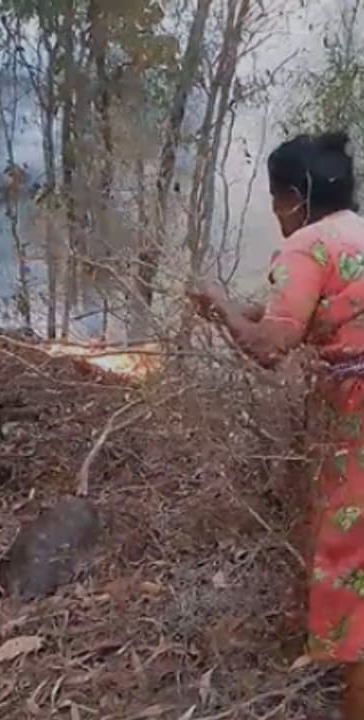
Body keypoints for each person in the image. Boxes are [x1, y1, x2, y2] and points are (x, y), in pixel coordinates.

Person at [189, 130, 364, 717]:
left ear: (294, 198)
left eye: (275, 200)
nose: (275, 213)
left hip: (357, 423)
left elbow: (270, 345)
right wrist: (236, 311)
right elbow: (297, 311)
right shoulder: (355, 234)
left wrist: (218, 305)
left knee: (353, 564)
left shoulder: (306, 245)